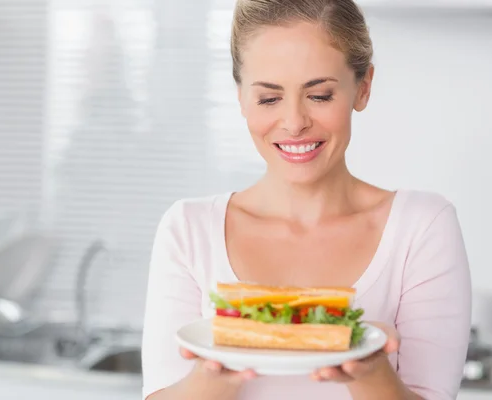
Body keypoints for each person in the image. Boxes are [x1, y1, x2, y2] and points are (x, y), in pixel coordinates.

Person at [141, 0, 471, 399]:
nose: (294, 122)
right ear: (242, 98)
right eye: (268, 98)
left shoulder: (422, 227)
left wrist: (369, 372)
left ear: (362, 87)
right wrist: (217, 368)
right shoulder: (188, 229)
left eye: (319, 95)